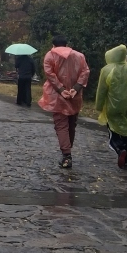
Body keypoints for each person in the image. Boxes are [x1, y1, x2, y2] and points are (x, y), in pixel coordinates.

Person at [39, 36, 90, 169]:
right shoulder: (79, 56)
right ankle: (68, 149)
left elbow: (50, 75)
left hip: (57, 96)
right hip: (75, 95)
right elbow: (85, 72)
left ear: (53, 45)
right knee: (72, 124)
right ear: (67, 44)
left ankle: (66, 155)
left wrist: (61, 90)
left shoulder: (50, 56)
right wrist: (76, 88)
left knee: (61, 125)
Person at [95, 45, 127, 169]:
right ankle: (126, 162)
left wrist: (99, 106)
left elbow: (102, 90)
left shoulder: (107, 70)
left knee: (112, 130)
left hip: (113, 106)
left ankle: (119, 149)